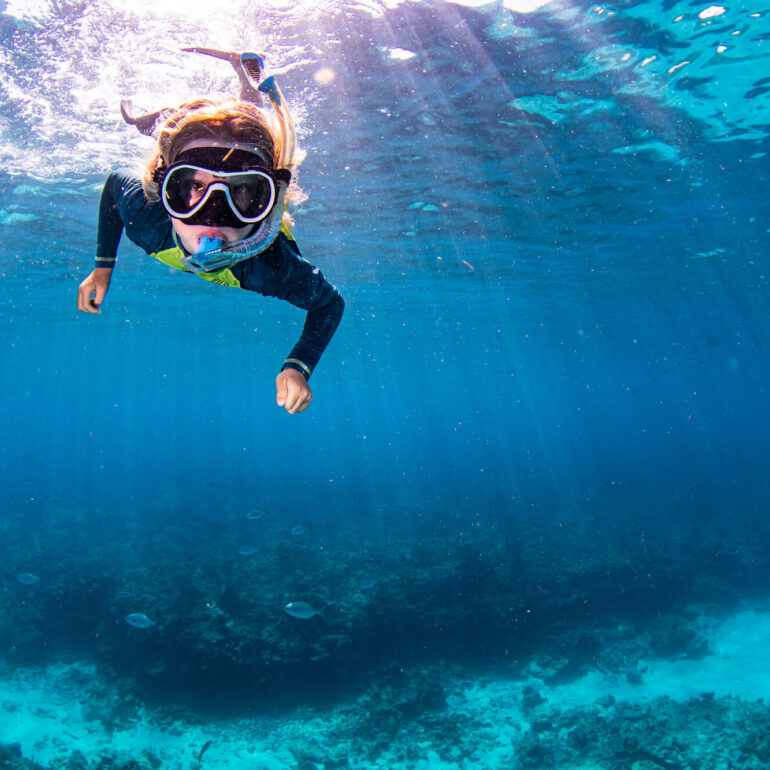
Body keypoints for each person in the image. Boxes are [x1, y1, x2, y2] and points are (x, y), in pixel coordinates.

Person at [77, 50, 343, 415]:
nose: (214, 216)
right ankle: (230, 89)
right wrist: (102, 266)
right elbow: (113, 186)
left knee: (240, 124)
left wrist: (300, 365)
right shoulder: (147, 216)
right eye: (190, 187)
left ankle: (239, 81)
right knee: (228, 126)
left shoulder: (270, 265)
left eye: (245, 192)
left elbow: (329, 303)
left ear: (273, 199)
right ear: (162, 187)